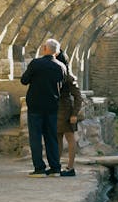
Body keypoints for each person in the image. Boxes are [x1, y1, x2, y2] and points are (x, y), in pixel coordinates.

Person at [20, 38, 67, 176]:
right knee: (51, 137)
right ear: (56, 52)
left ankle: (39, 168)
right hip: (52, 106)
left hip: (35, 106)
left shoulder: (36, 64)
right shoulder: (61, 67)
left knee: (35, 137)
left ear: (45, 49)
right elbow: (62, 85)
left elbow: (24, 80)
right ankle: (55, 167)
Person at [56, 50, 83, 177]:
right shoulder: (56, 74)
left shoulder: (68, 77)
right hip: (57, 111)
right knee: (58, 139)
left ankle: (70, 167)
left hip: (66, 112)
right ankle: (57, 165)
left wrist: (74, 114)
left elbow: (78, 97)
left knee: (70, 138)